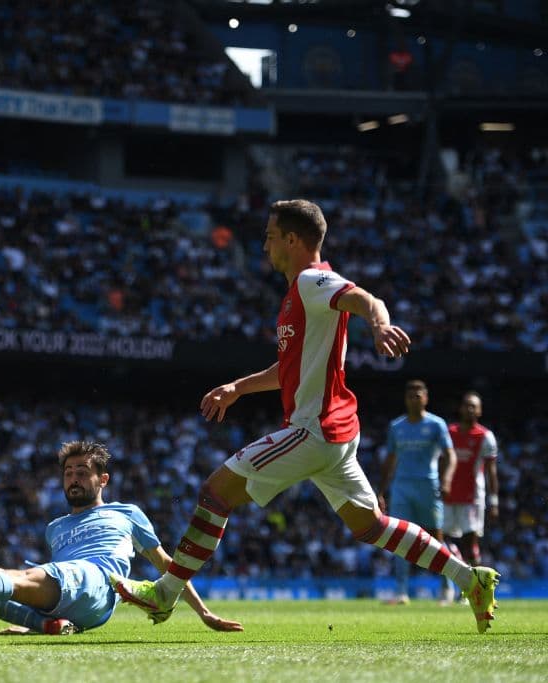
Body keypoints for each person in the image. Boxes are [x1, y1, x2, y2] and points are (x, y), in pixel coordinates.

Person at [112, 200, 500, 634]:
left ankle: (164, 593)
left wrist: (378, 324)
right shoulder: (301, 294)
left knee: (215, 493)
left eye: (270, 237)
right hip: (334, 433)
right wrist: (238, 388)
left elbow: (366, 299)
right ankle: (471, 578)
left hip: (313, 429)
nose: (264, 246)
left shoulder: (314, 281)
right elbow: (290, 370)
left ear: (293, 240)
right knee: (370, 526)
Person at [0, 441, 243, 635]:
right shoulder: (54, 527)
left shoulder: (126, 513)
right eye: (69, 472)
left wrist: (204, 613)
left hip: (100, 583)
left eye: (82, 472)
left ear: (103, 480)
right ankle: (46, 625)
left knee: (8, 579)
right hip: (74, 598)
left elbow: (169, 566)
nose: (73, 478)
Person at [377, 380, 457, 605]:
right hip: (401, 487)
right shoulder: (396, 427)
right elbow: (390, 460)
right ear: (405, 399)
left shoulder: (436, 425)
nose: (414, 399)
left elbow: (450, 456)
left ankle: (446, 588)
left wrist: (447, 479)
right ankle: (402, 592)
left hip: (428, 486)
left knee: (436, 538)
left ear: (426, 398)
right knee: (401, 539)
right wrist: (381, 491)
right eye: (410, 395)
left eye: (418, 395)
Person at [445, 391, 499, 571]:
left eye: (473, 406)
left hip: (472, 498)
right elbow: (440, 462)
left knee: (470, 543)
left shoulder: (486, 437)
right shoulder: (448, 432)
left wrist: (494, 501)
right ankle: (459, 580)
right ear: (460, 409)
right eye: (466, 405)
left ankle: (476, 589)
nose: (469, 409)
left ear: (480, 411)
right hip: (447, 496)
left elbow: (491, 471)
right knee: (441, 541)